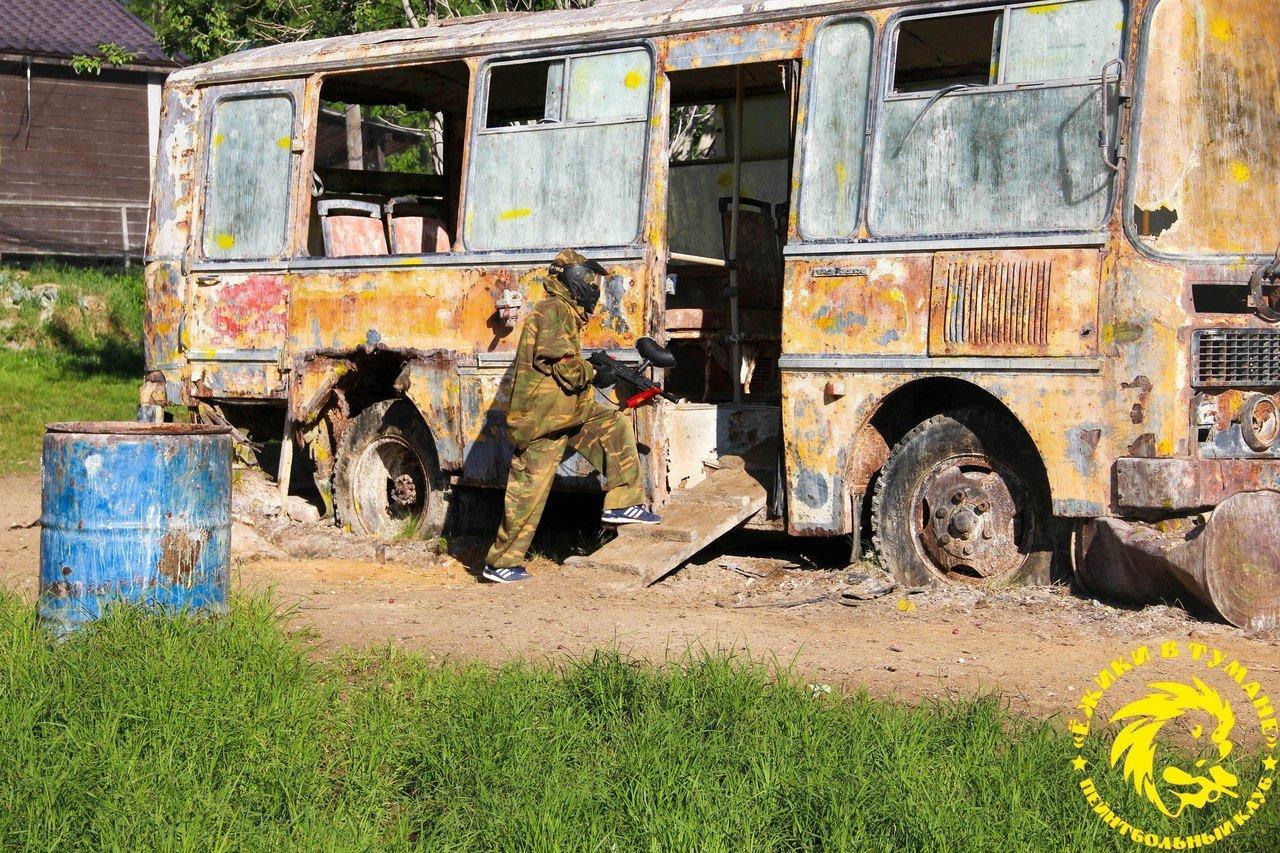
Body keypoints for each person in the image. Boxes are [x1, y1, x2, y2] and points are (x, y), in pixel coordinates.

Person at [482, 249, 662, 584]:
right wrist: (594, 370)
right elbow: (566, 369)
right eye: (591, 281)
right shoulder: (553, 310)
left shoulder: (564, 311)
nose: (595, 289)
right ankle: (500, 563)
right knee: (529, 492)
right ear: (575, 280)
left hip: (569, 411)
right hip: (543, 420)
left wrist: (596, 370)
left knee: (613, 423)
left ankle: (622, 503)